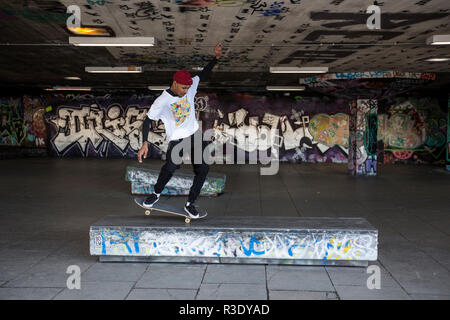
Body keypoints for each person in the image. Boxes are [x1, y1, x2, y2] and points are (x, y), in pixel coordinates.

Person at [137, 42, 222, 218]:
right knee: (170, 167)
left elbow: (203, 74)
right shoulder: (162, 100)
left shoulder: (190, 86)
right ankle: (156, 194)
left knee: (203, 169)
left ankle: (190, 204)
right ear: (175, 83)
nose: (186, 91)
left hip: (195, 135)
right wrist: (144, 142)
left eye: (188, 88)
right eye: (183, 88)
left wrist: (216, 58)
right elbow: (148, 121)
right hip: (177, 139)